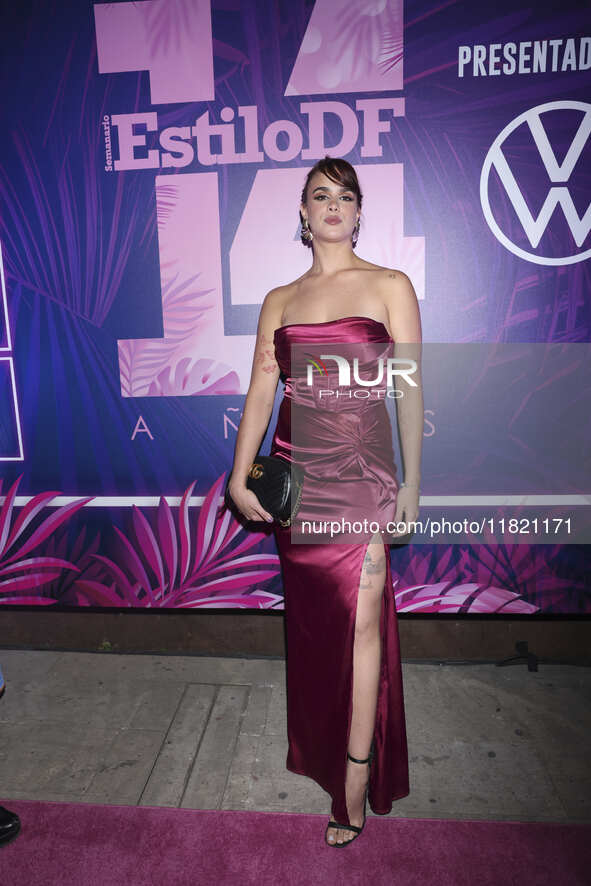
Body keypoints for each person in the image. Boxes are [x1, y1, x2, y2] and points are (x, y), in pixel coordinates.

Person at [227, 156, 423, 846]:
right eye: (320, 195)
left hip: (363, 476)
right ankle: (322, 750)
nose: (334, 205)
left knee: (363, 624)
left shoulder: (389, 285)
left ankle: (354, 777)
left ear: (359, 212)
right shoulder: (279, 299)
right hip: (296, 479)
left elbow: (408, 390)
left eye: (346, 196)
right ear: (303, 215)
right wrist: (237, 475)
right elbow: (260, 388)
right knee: (315, 629)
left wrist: (410, 483)